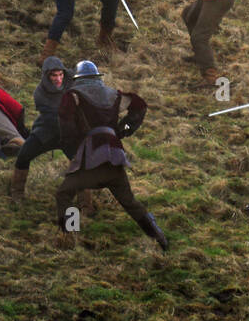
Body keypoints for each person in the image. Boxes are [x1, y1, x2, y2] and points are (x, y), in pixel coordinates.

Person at [54, 60, 168, 250]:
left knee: (64, 194)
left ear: (78, 79)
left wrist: (74, 150)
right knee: (130, 202)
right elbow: (139, 106)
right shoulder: (114, 95)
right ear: (97, 77)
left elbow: (66, 128)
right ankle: (158, 236)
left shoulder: (73, 96)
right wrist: (121, 130)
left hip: (91, 159)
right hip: (114, 156)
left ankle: (70, 235)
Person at [9, 55, 70, 201]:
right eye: (54, 75)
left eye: (61, 74)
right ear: (47, 76)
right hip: (47, 131)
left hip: (69, 133)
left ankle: (86, 204)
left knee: (81, 162)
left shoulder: (72, 84)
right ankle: (17, 194)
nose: (58, 79)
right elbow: (51, 118)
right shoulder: (39, 93)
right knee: (24, 155)